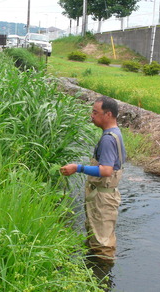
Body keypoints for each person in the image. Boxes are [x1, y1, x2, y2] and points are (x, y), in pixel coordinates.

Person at [60, 96, 126, 262]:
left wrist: (77, 168)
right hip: (105, 195)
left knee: (102, 245)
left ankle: (102, 281)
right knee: (96, 237)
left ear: (108, 114)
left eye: (95, 112)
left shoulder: (108, 139)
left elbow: (105, 170)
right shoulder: (115, 133)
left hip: (102, 199)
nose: (92, 115)